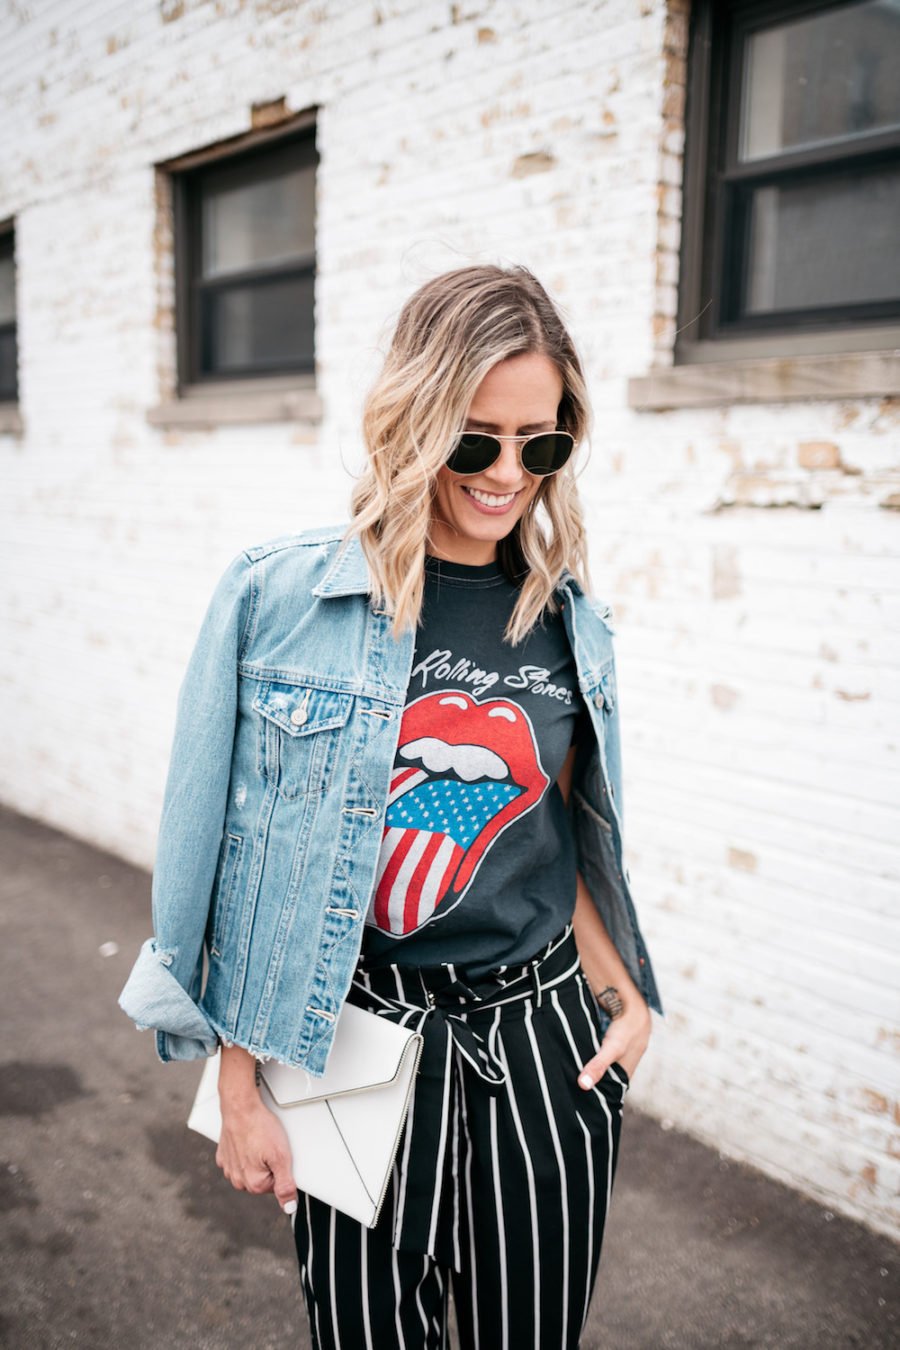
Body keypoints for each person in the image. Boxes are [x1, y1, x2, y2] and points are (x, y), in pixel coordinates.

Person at [119, 263, 663, 1349]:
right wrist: (239, 1082)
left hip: (545, 1043)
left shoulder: (568, 621)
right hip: (353, 1039)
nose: (507, 473)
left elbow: (555, 834)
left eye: (539, 443)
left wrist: (627, 997)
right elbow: (230, 859)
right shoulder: (279, 599)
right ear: (416, 418)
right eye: (475, 438)